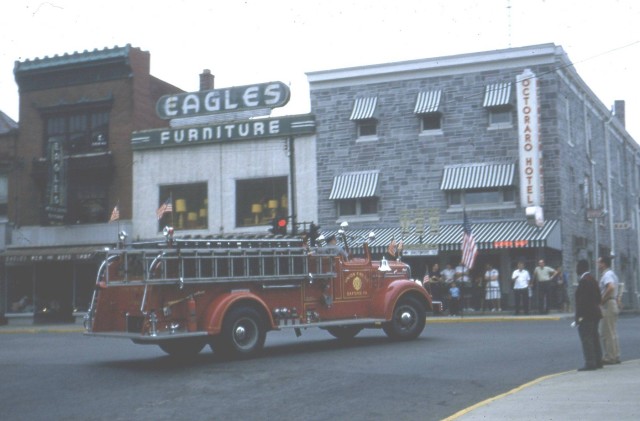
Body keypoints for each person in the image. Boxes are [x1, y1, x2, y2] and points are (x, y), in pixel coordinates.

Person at [574, 259, 603, 371]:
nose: (576, 269)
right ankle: (598, 360)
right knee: (594, 337)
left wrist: (579, 317)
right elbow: (598, 297)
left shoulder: (584, 281)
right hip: (595, 314)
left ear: (582, 268)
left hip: (586, 315)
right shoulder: (593, 279)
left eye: (577, 267)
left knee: (587, 339)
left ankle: (590, 362)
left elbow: (582, 302)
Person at [598, 256, 621, 365]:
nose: (598, 265)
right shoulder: (613, 274)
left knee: (606, 332)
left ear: (604, 264)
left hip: (608, 304)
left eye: (599, 263)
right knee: (612, 331)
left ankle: (610, 357)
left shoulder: (607, 275)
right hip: (613, 303)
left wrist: (602, 300)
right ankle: (615, 355)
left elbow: (610, 287)